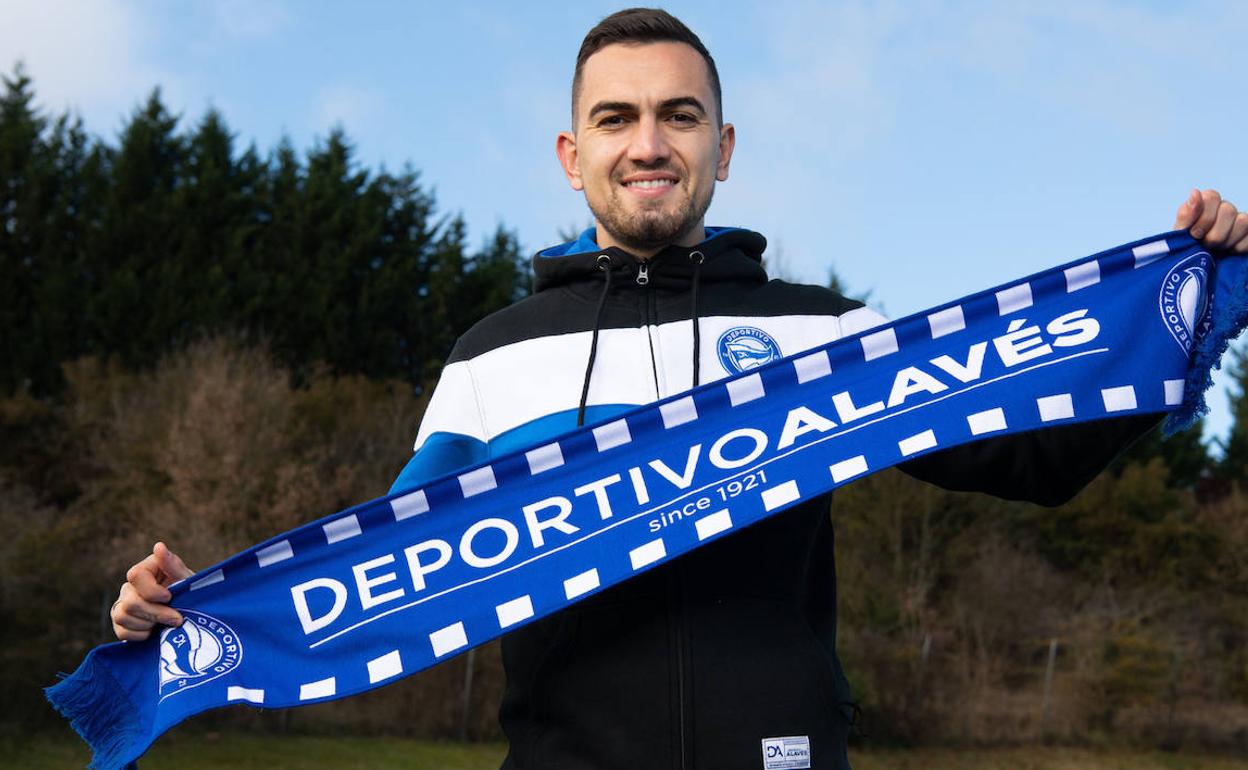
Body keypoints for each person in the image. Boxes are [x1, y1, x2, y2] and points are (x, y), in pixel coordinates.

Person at [113, 8, 1248, 770]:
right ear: (573, 152)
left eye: (678, 115)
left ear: (723, 145)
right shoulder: (490, 353)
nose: (647, 142)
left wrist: (1197, 302)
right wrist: (186, 610)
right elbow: (383, 570)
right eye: (617, 117)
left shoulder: (826, 330)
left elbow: (1032, 453)